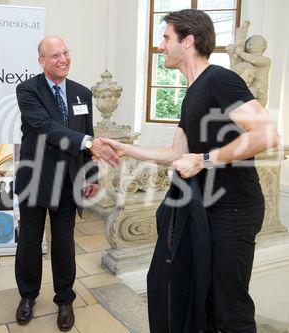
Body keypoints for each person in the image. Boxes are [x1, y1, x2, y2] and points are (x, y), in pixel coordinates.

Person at [103, 9, 279, 332]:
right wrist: (128, 149)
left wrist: (205, 159)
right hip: (206, 211)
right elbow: (177, 153)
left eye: (167, 37)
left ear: (189, 41)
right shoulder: (192, 93)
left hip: (235, 211)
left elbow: (267, 134)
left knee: (231, 309)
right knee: (206, 302)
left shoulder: (220, 80)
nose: (160, 46)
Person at [13, 35, 119, 331]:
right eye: (55, 55)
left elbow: (88, 133)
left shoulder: (81, 93)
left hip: (69, 181)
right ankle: (28, 296)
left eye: (65, 53)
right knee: (31, 243)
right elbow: (47, 128)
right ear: (42, 61)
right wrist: (89, 141)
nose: (63, 59)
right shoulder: (27, 90)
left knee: (63, 243)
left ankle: (64, 300)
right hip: (36, 178)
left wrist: (92, 174)